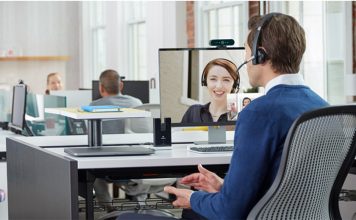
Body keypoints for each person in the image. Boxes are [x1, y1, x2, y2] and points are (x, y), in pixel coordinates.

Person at [161, 13, 329, 220]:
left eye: (246, 50)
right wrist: (225, 187)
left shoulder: (259, 112)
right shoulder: (323, 108)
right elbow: (289, 190)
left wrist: (192, 199)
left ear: (260, 55)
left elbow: (229, 212)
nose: (245, 59)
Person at [91, 69, 144, 211]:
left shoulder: (93, 107)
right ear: (121, 85)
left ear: (101, 88)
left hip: (110, 168)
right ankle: (141, 203)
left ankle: (108, 207)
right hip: (140, 165)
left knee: (91, 168)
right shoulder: (137, 103)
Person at [181, 58, 239, 123]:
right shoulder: (193, 112)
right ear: (205, 82)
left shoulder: (241, 116)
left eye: (226, 80)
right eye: (213, 79)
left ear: (234, 85)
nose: (219, 86)